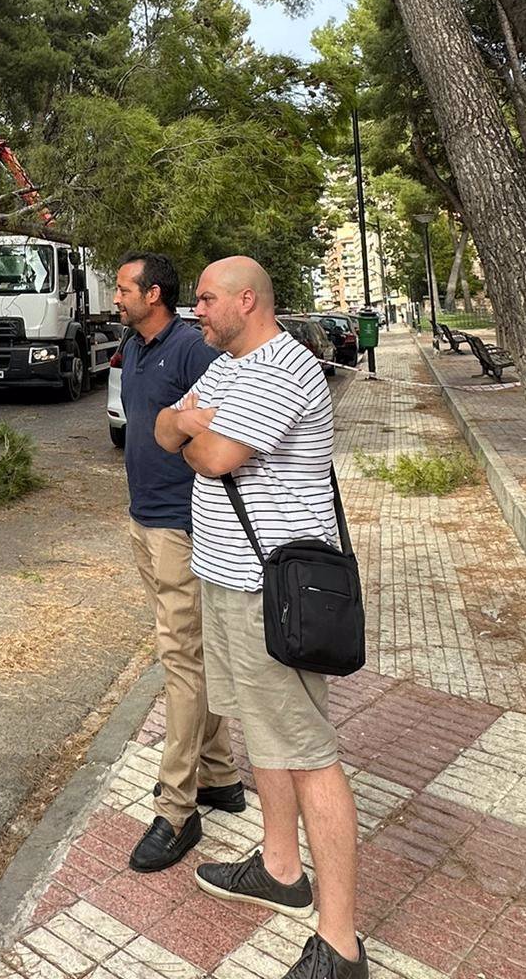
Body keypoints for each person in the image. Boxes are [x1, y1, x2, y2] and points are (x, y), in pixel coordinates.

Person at [155, 256, 367, 979]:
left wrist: (191, 427)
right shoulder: (227, 368)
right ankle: (281, 869)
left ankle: (340, 943)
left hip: (274, 590)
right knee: (263, 730)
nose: (197, 312)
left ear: (248, 300)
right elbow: (160, 429)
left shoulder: (281, 366)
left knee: (309, 754)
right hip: (227, 582)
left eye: (208, 300)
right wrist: (187, 420)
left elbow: (211, 455)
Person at [113, 252, 243, 874]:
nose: (116, 297)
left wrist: (186, 431)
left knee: (182, 662)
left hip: (180, 527)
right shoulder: (136, 346)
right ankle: (218, 774)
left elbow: (229, 410)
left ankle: (177, 809)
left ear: (153, 293)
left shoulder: (191, 347)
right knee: (190, 655)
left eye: (123, 288)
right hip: (145, 520)